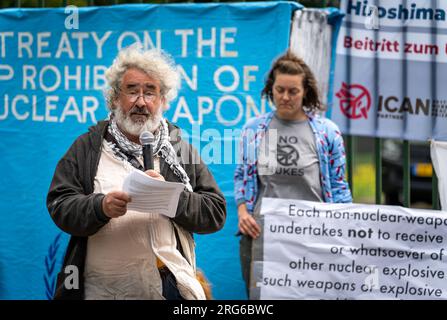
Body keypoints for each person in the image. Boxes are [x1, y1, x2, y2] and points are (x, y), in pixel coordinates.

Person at [47, 47, 226, 300]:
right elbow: (60, 204)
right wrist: (101, 207)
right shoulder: (87, 148)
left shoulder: (180, 150)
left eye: (150, 92)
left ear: (162, 100)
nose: (141, 102)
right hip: (104, 289)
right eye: (132, 91)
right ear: (114, 99)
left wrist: (170, 197)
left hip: (169, 288)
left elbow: (215, 213)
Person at [233, 51, 352, 296]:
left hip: (314, 238)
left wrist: (343, 230)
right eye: (279, 90)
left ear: (305, 91)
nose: (285, 97)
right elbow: (242, 176)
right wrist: (243, 211)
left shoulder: (327, 132)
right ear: (271, 89)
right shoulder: (254, 129)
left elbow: (339, 186)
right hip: (262, 236)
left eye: (293, 91)